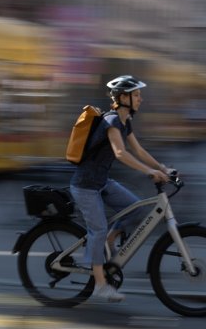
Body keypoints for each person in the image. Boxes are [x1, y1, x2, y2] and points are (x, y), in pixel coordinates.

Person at [69, 75, 172, 303]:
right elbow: (120, 153)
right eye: (136, 95)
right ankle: (100, 285)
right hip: (85, 186)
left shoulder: (125, 122)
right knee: (97, 228)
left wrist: (162, 167)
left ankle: (109, 240)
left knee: (135, 208)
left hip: (102, 182)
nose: (140, 99)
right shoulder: (113, 120)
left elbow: (138, 150)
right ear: (123, 97)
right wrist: (148, 172)